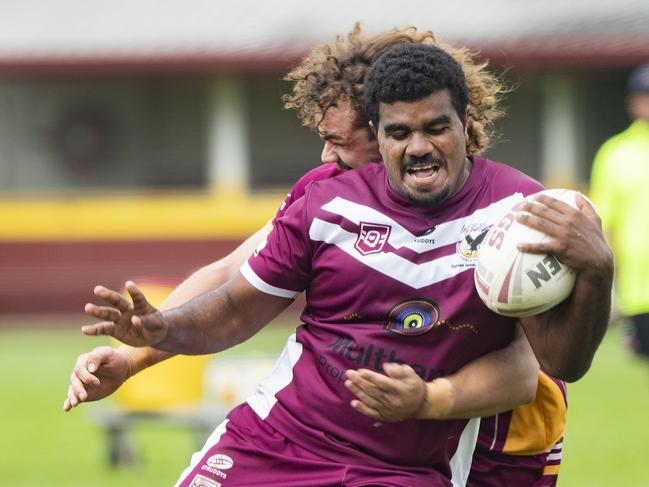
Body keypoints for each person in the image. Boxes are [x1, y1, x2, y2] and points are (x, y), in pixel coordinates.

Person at [67, 41, 612, 487]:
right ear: (382, 132)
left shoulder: (512, 213)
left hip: (497, 433)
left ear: (461, 124)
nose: (327, 157)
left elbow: (525, 371)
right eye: (398, 131)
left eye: (338, 141)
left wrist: (595, 271)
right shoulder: (328, 198)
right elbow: (233, 284)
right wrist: (137, 352)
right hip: (293, 437)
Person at [590, 63, 649, 381]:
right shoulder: (615, 154)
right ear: (633, 102)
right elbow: (605, 225)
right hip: (640, 289)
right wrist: (608, 289)